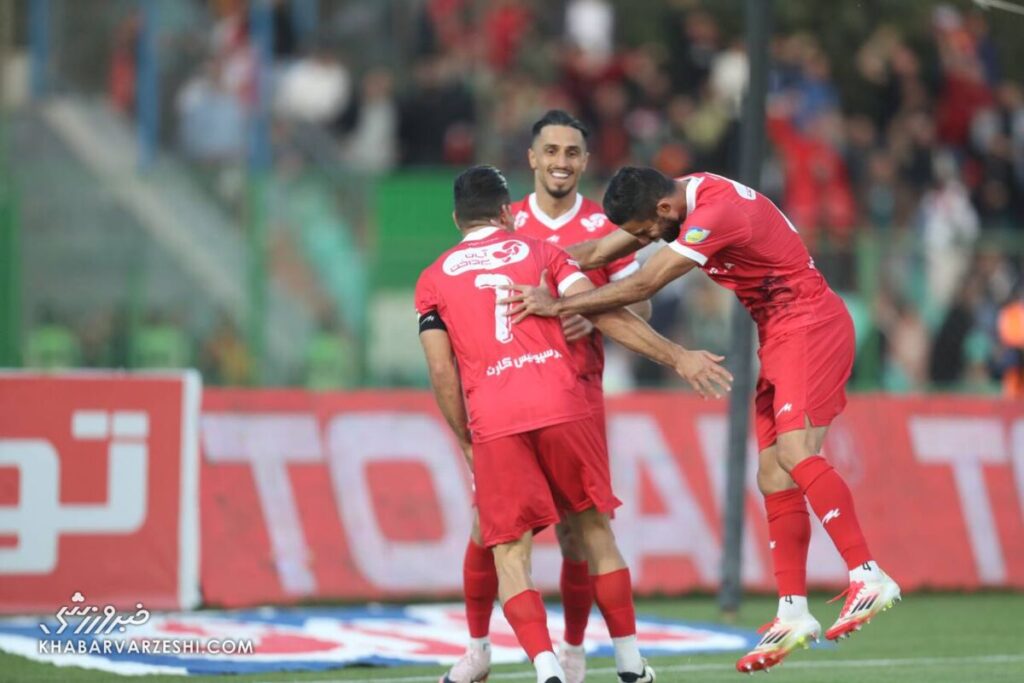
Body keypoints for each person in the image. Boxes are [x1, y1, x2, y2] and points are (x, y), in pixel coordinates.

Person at [500, 167, 902, 673]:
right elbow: (600, 251)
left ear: (663, 211)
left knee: (796, 452)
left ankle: (867, 573)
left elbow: (644, 282)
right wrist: (529, 259)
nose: (647, 239)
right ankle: (793, 612)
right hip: (779, 332)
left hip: (810, 325)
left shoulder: (715, 212)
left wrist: (557, 304)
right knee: (773, 474)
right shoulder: (672, 201)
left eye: (647, 232)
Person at [418, 165, 730, 683]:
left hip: (496, 418)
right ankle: (629, 663)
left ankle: (547, 669)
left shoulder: (433, 279)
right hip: (563, 403)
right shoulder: (545, 253)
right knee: (593, 531)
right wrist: (676, 356)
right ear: (506, 213)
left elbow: (440, 369)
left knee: (509, 550)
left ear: (456, 219)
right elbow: (606, 312)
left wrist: (465, 437)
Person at [450, 110, 652, 683]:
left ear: (585, 161)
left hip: (577, 396)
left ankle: (573, 650)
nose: (561, 162)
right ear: (533, 159)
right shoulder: (506, 225)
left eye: (572, 152)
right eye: (552, 151)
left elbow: (642, 301)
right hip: (509, 397)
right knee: (488, 528)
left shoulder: (604, 224)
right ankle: (477, 649)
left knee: (578, 532)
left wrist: (591, 309)